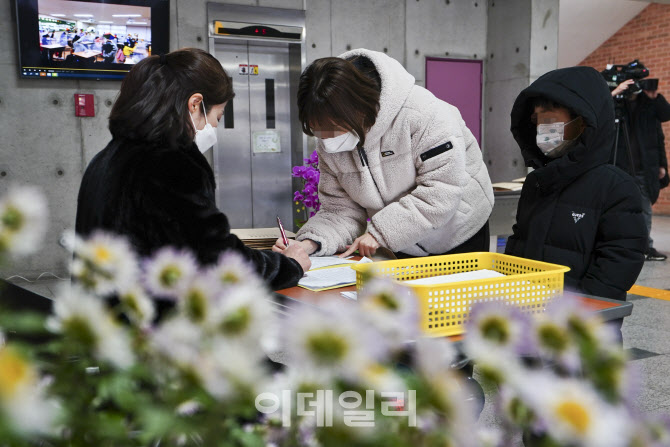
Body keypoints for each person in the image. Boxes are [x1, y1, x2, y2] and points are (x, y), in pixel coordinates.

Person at [75, 48, 310, 295]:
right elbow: (216, 261)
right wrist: (289, 265)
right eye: (218, 116)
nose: (216, 126)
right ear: (195, 103)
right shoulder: (170, 163)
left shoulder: (106, 159)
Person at [274, 49, 494, 259]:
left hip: (459, 234)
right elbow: (340, 210)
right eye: (317, 130)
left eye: (334, 128)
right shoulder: (330, 142)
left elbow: (440, 192)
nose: (327, 140)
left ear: (359, 109)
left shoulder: (425, 115)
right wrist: (309, 244)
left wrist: (381, 232)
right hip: (402, 242)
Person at [506, 66, 646, 314]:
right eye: (537, 120)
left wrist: (579, 313)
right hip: (531, 317)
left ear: (582, 121)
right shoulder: (537, 182)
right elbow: (520, 242)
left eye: (550, 118)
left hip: (581, 328)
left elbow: (618, 262)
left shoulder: (615, 187)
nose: (542, 128)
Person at [610, 76, 670, 261]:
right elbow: (598, 112)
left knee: (645, 209)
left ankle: (645, 247)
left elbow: (664, 121)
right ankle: (617, 245)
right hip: (619, 166)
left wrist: (652, 95)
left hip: (644, 167)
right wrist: (614, 93)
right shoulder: (617, 105)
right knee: (616, 208)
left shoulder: (648, 105)